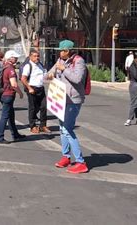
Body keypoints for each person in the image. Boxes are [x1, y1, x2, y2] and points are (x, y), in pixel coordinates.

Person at [48, 40, 89, 174]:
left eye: (62, 50)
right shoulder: (60, 61)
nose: (59, 52)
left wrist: (64, 69)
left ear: (68, 51)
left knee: (67, 128)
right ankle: (66, 156)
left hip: (73, 100)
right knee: (62, 128)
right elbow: (51, 72)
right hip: (61, 98)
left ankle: (81, 162)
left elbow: (77, 79)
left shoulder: (78, 61)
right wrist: (49, 74)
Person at [0, 50, 25, 144]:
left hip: (4, 94)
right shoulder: (10, 69)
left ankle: (15, 134)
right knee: (5, 116)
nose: (16, 59)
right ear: (10, 58)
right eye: (15, 57)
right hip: (8, 95)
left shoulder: (5, 67)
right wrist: (20, 93)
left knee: (11, 116)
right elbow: (14, 84)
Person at [21, 49, 50, 134]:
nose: (37, 58)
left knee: (44, 107)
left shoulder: (40, 65)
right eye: (35, 56)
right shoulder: (28, 66)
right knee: (33, 108)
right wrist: (29, 88)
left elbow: (45, 75)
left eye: (38, 56)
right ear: (30, 56)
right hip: (32, 88)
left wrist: (50, 76)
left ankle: (43, 125)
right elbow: (23, 79)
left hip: (40, 88)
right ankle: (33, 126)